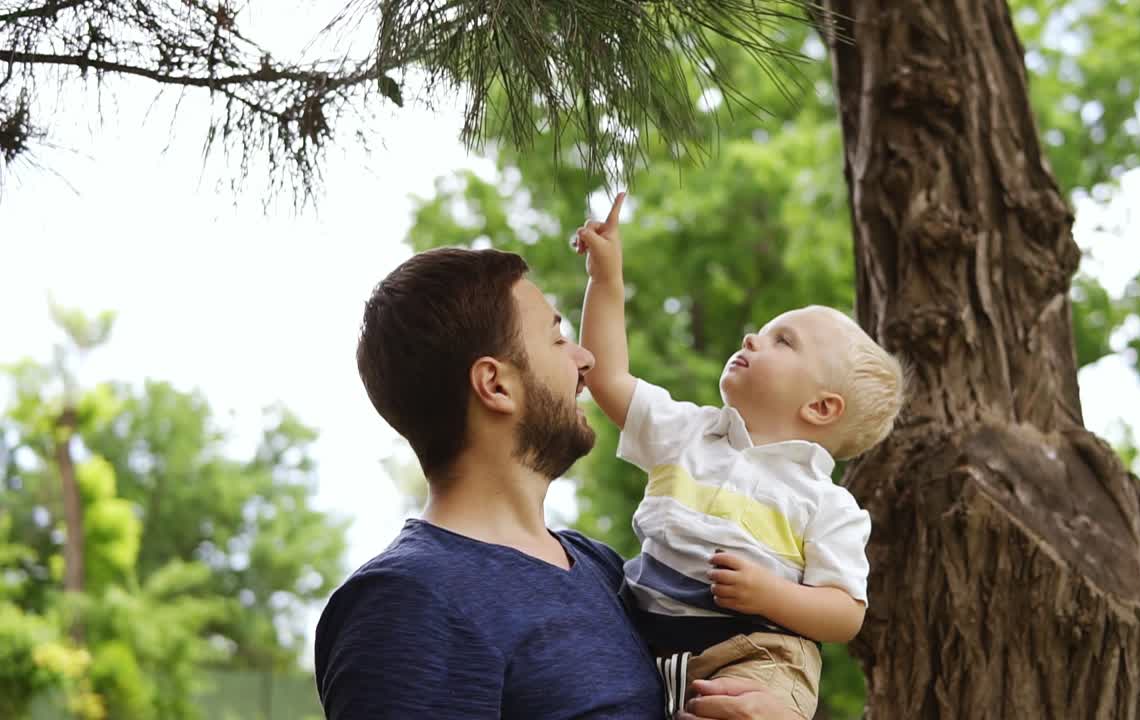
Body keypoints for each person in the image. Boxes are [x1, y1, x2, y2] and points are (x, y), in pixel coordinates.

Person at [313, 245, 792, 719]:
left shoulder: (600, 568)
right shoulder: (408, 604)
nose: (586, 360)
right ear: (496, 385)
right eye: (558, 338)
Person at [573, 194, 905, 719]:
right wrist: (607, 279)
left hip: (758, 651)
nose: (754, 336)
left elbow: (844, 615)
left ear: (820, 407)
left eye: (783, 341)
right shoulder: (688, 432)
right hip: (648, 642)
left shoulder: (825, 503)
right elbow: (607, 376)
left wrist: (770, 594)